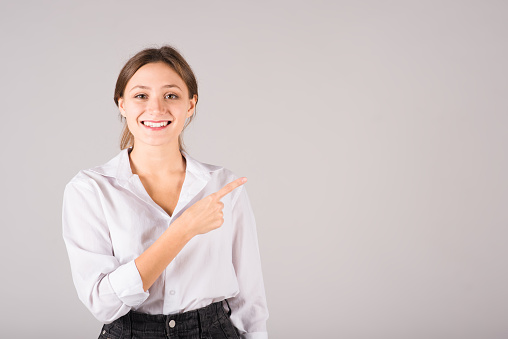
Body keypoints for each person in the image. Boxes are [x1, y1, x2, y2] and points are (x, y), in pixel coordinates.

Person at [62, 45, 269, 339]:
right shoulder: (90, 190)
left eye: (171, 95)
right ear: (122, 104)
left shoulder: (223, 186)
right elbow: (103, 303)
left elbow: (250, 297)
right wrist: (182, 231)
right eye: (140, 96)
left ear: (191, 105)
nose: (156, 109)